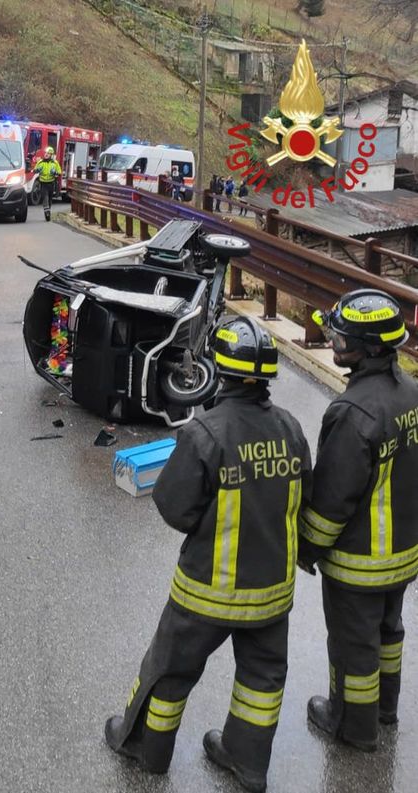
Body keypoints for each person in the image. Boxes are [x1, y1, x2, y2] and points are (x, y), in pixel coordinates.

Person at [105, 317, 312, 793]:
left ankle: (146, 750)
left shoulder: (205, 432)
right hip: (271, 596)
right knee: (262, 681)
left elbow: (174, 507)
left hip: (205, 592)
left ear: (219, 370)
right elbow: (306, 499)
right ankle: (247, 762)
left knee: (170, 671)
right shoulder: (291, 428)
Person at [298, 289, 418, 753]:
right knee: (389, 634)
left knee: (355, 647)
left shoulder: (352, 414)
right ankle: (384, 711)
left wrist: (307, 549)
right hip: (404, 554)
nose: (334, 340)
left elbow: (332, 502)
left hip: (360, 563)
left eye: (342, 336)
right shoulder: (410, 392)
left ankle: (353, 726)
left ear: (369, 348)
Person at [33, 146, 62, 221]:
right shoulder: (41, 162)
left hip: (51, 183)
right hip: (43, 183)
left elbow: (59, 172)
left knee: (49, 199)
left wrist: (55, 172)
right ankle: (47, 212)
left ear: (51, 155)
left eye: (48, 153)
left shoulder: (55, 163)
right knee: (44, 197)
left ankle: (48, 210)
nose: (46, 154)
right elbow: (35, 170)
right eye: (46, 153)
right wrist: (37, 170)